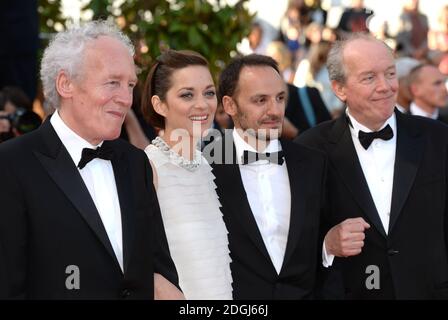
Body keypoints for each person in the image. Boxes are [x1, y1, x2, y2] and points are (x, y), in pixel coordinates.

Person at [0, 20, 179, 299]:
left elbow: (158, 266)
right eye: (112, 83)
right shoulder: (10, 165)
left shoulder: (136, 163)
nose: (126, 99)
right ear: (65, 83)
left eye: (130, 85)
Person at [296, 33, 448, 299]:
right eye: (369, 78)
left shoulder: (438, 139)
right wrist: (327, 244)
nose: (386, 86)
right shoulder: (310, 148)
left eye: (390, 74)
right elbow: (294, 239)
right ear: (339, 88)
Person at [208, 54, 327, 299]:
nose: (275, 110)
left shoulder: (314, 163)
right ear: (230, 105)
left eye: (280, 98)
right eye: (260, 100)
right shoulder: (205, 167)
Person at [141, 49, 233, 300]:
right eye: (186, 95)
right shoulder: (149, 167)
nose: (202, 104)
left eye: (209, 93)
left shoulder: (205, 166)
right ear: (159, 104)